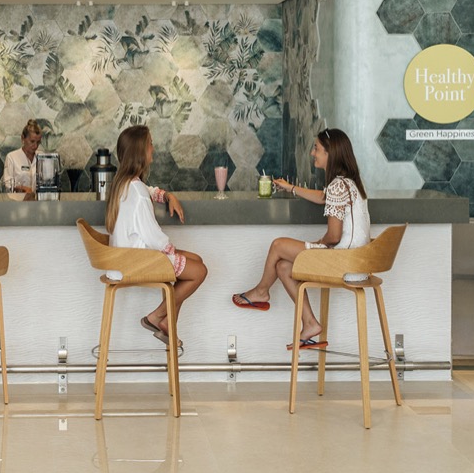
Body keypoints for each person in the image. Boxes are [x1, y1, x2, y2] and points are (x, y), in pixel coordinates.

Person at [231, 128, 370, 350]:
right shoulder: (347, 183)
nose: (312, 153)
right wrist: (291, 188)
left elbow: (334, 237)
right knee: (283, 267)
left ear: (330, 153)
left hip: (344, 262)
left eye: (316, 148)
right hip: (357, 263)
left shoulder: (338, 185)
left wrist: (317, 245)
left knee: (278, 245)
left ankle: (261, 291)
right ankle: (311, 323)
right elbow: (323, 197)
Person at [105, 125, 208, 345]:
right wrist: (171, 251)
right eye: (150, 143)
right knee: (199, 271)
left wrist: (167, 195)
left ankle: (168, 324)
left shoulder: (123, 184)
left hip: (124, 260)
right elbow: (152, 236)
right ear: (140, 151)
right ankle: (157, 316)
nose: (153, 147)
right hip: (139, 261)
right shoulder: (138, 192)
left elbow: (147, 191)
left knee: (195, 260)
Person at [1, 119, 42, 193]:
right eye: (32, 141)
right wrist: (24, 188)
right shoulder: (12, 157)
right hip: (18, 199)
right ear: (23, 138)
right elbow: (7, 184)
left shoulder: (42, 158)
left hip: (38, 200)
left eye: (38, 142)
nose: (35, 146)